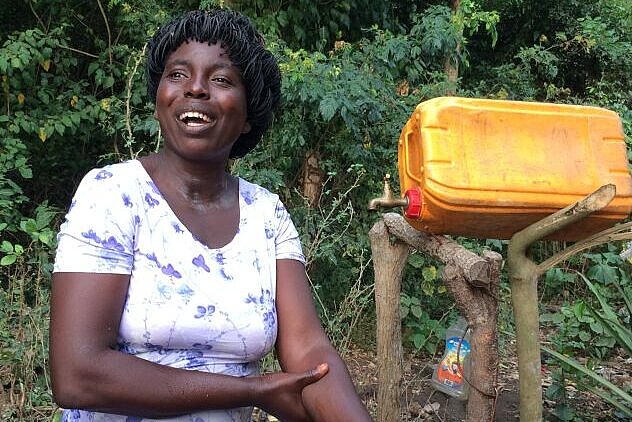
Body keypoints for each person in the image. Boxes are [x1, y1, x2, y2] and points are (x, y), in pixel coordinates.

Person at [49, 9, 372, 422]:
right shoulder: (112, 195)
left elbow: (308, 347)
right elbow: (78, 374)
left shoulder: (266, 215)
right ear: (158, 99)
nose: (196, 89)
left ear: (248, 114)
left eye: (220, 79)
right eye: (178, 75)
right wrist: (252, 390)